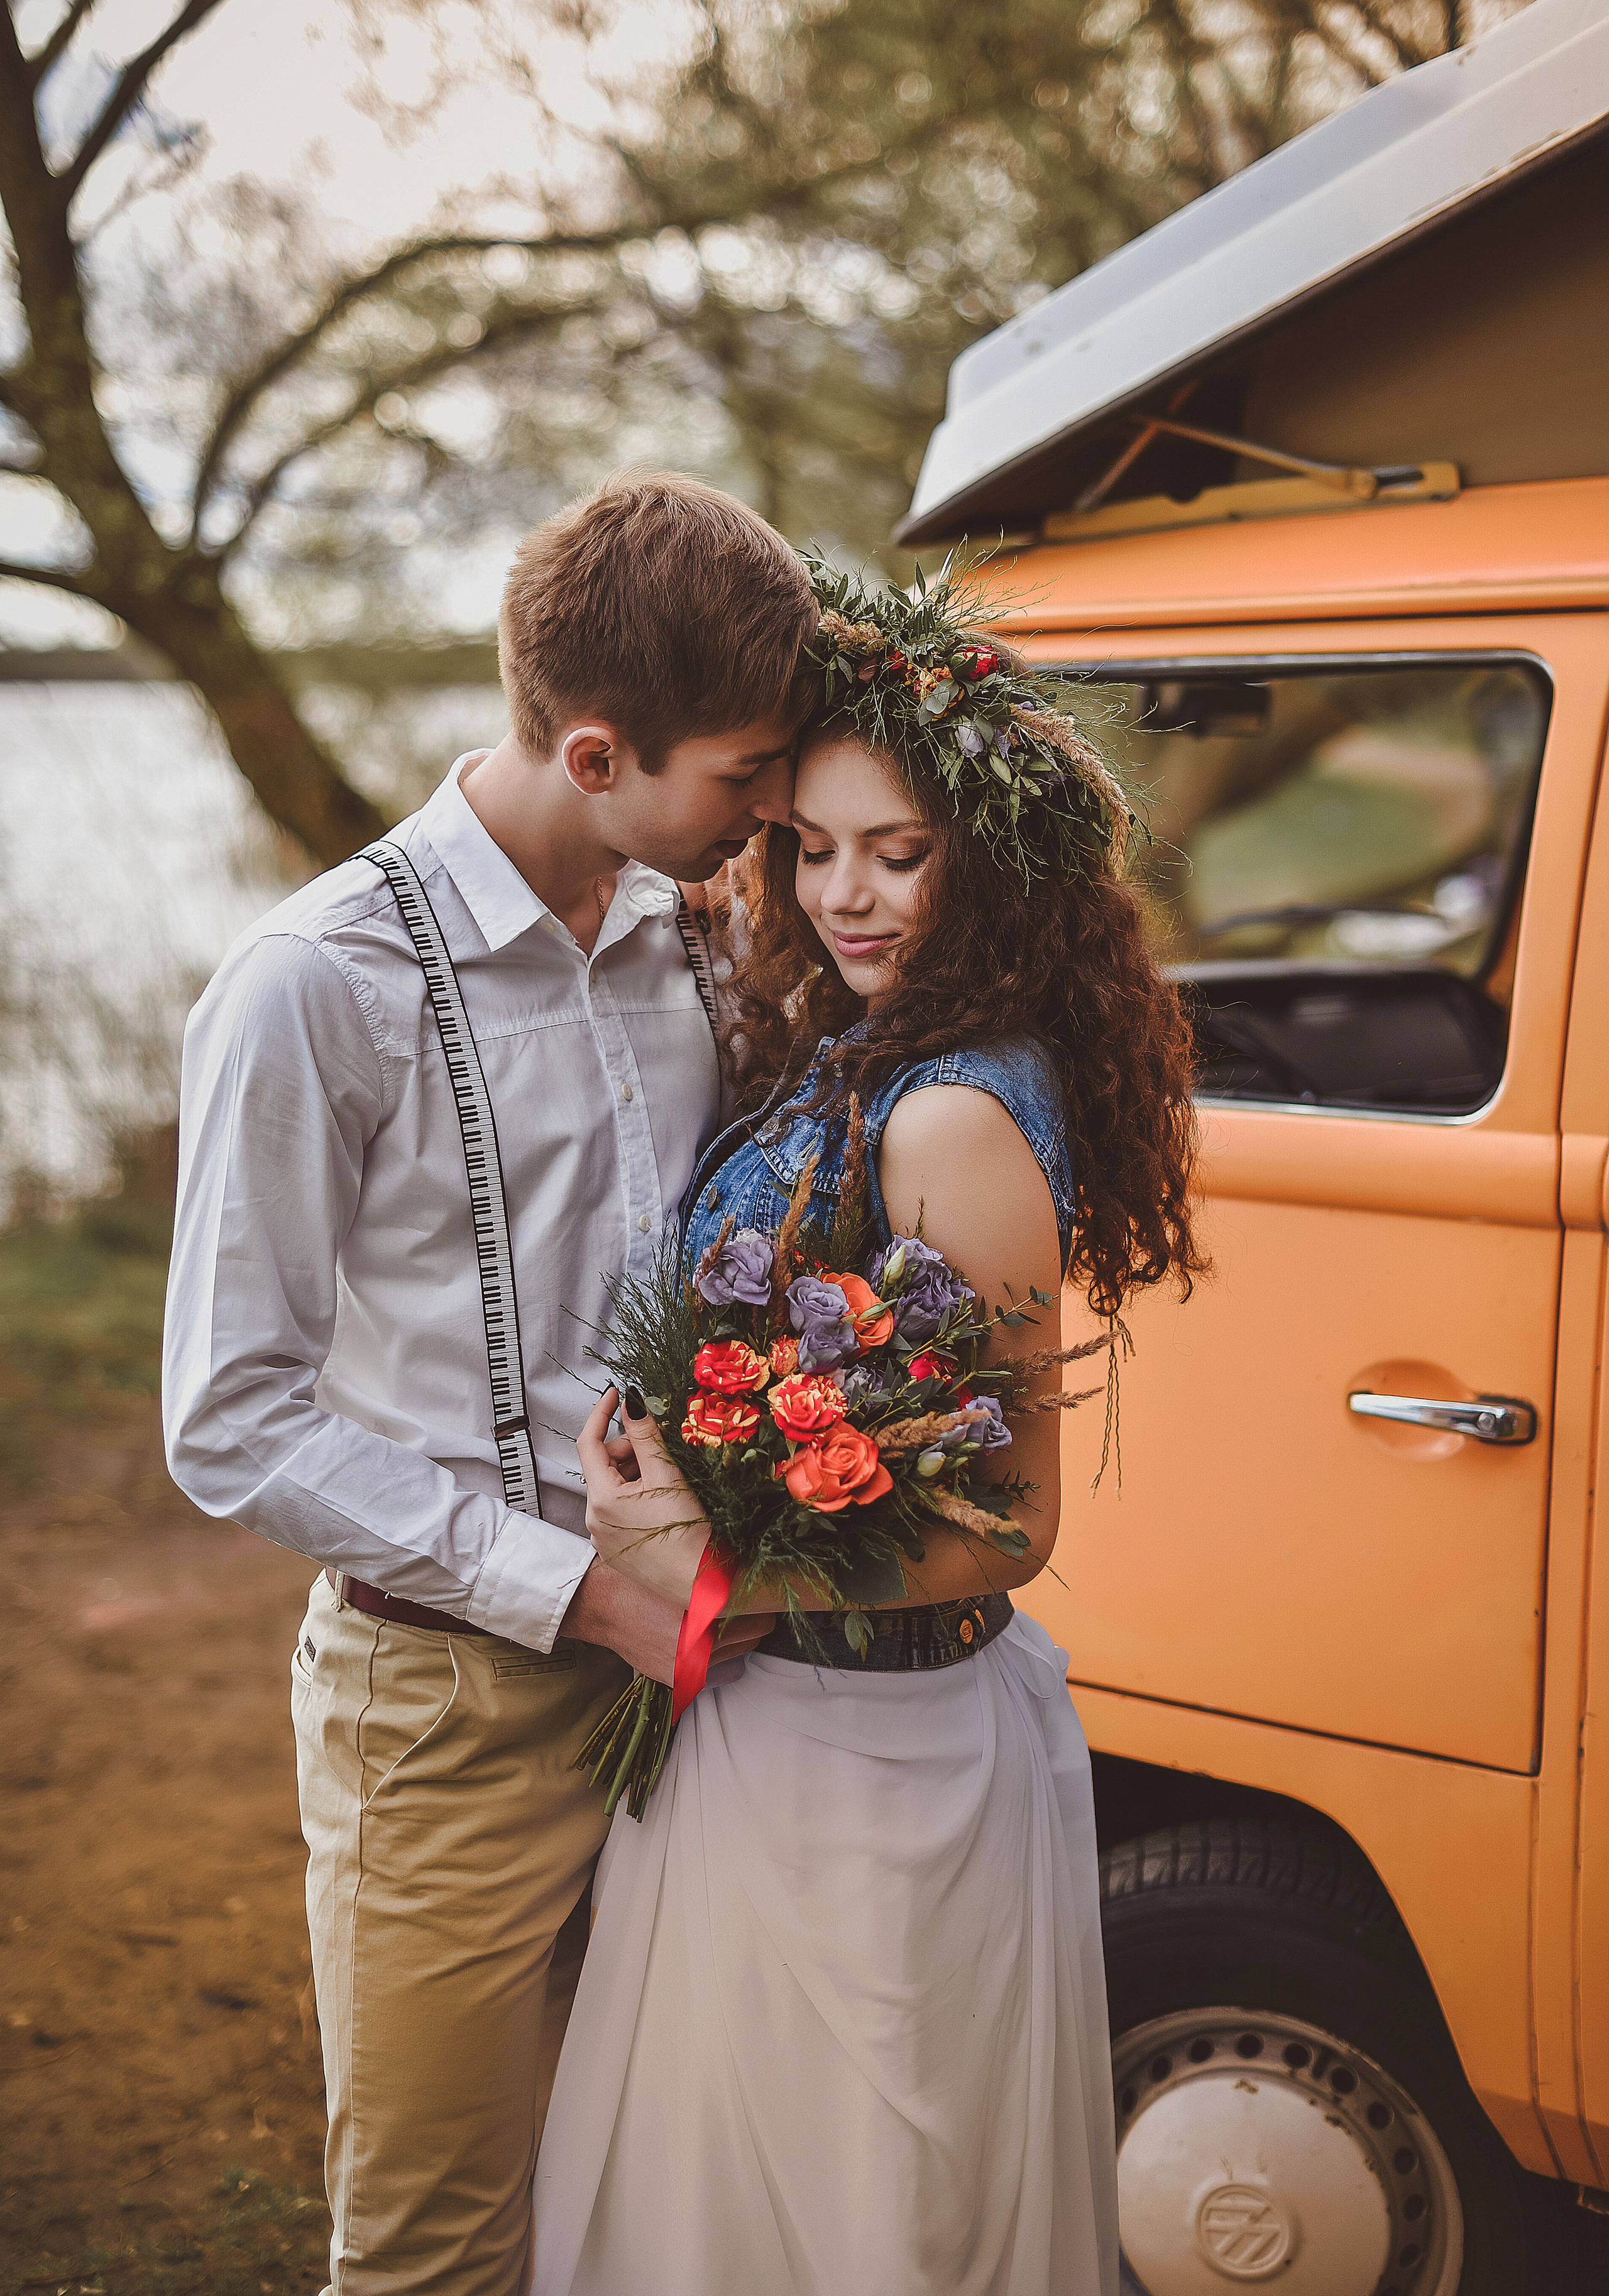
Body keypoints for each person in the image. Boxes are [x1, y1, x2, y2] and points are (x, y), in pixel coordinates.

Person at [161, 471, 820, 2296]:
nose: (775, 807)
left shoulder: (697, 931)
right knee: (438, 2248)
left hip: (707, 1695)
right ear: (597, 754)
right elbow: (230, 1417)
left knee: (658, 2207)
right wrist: (587, 1594)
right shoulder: (315, 984)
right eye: (747, 772)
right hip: (444, 1714)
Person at [529, 575, 1203, 2296]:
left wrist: (715, 1563)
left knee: (857, 2216)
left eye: (897, 855)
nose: (844, 895)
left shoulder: (954, 1115)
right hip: (778, 1724)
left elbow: (1014, 1522)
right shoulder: (861, 1047)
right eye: (812, 848)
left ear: (988, 863)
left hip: (875, 1760)